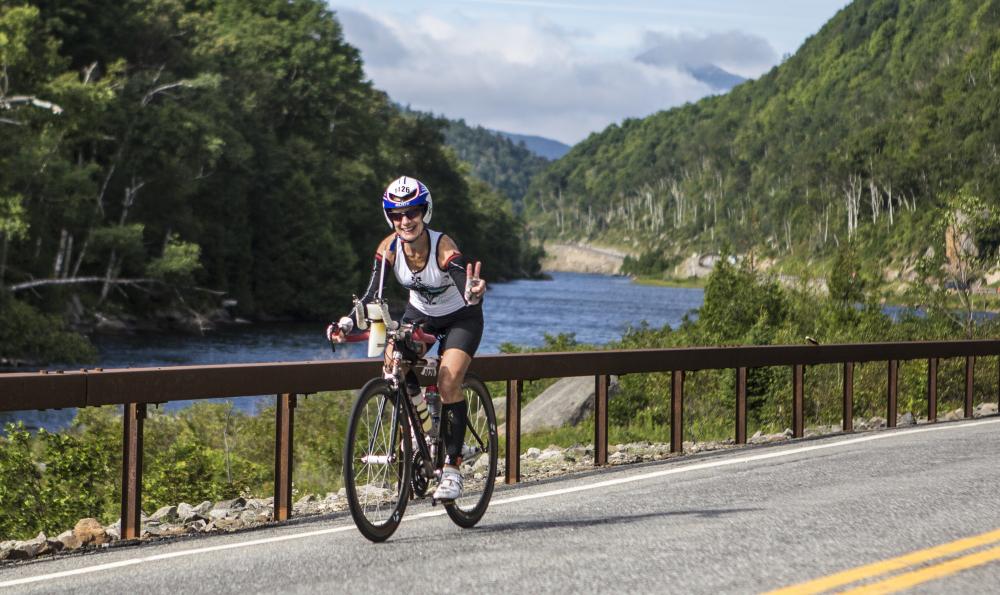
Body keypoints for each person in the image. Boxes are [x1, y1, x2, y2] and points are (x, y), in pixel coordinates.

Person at [327, 176, 486, 501]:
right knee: (394, 363)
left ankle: (453, 468)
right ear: (389, 217)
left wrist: (473, 292)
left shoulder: (442, 246)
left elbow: (463, 284)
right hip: (421, 314)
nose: (405, 220)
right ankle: (423, 434)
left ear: (424, 212)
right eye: (396, 214)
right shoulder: (388, 248)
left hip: (461, 317)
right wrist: (346, 322)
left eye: (412, 212)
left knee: (447, 381)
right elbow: (374, 293)